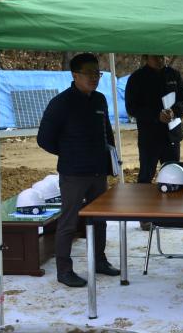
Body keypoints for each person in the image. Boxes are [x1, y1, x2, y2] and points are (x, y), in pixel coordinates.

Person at [36, 53, 121, 287]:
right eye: (90, 73)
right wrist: (69, 153)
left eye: (98, 73)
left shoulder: (100, 100)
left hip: (98, 171)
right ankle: (64, 269)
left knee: (100, 219)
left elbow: (107, 132)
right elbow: (44, 139)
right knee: (69, 221)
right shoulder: (61, 103)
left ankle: (99, 260)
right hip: (73, 173)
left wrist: (110, 156)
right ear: (75, 75)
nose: (95, 78)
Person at [123, 55, 183, 185]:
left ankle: (172, 203)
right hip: (149, 137)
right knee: (146, 176)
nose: (160, 59)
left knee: (173, 174)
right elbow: (132, 107)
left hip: (171, 136)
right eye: (156, 57)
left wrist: (174, 111)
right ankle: (144, 204)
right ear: (146, 58)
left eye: (162, 56)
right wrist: (155, 115)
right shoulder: (137, 78)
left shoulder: (173, 74)